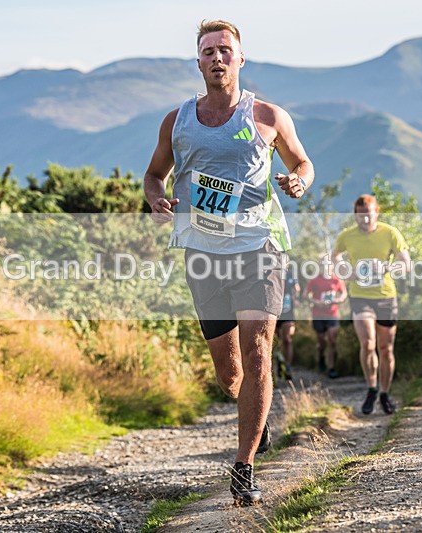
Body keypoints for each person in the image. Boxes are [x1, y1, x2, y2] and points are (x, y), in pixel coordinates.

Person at [143, 19, 313, 506]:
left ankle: (244, 468)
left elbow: (303, 162)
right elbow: (155, 175)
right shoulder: (176, 121)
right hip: (203, 252)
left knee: (258, 350)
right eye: (208, 52)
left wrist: (298, 181)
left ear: (241, 60)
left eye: (225, 50)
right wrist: (156, 200)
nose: (217, 58)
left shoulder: (267, 115)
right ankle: (255, 421)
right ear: (198, 63)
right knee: (229, 374)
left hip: (260, 246)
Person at [334, 195, 411, 415]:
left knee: (386, 348)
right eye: (360, 215)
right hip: (360, 296)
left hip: (386, 295)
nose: (365, 219)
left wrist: (387, 269)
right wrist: (348, 274)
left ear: (376, 212)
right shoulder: (347, 236)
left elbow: (405, 264)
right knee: (368, 343)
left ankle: (385, 393)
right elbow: (335, 257)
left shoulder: (390, 233)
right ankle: (371, 388)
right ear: (355, 215)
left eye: (368, 214)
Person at [305, 256, 347, 379]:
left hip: (332, 314)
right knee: (322, 341)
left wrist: (338, 300)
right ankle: (321, 358)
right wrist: (316, 302)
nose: (326, 267)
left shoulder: (336, 280)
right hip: (318, 314)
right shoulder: (314, 280)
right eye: (323, 265)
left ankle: (332, 368)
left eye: (328, 264)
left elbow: (343, 294)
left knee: (332, 341)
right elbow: (306, 295)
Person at [274, 272, 300, 381]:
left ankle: (287, 366)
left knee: (288, 339)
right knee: (274, 341)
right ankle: (278, 363)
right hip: (273, 312)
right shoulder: (269, 272)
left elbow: (297, 288)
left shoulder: (290, 274)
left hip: (288, 311)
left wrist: (296, 298)